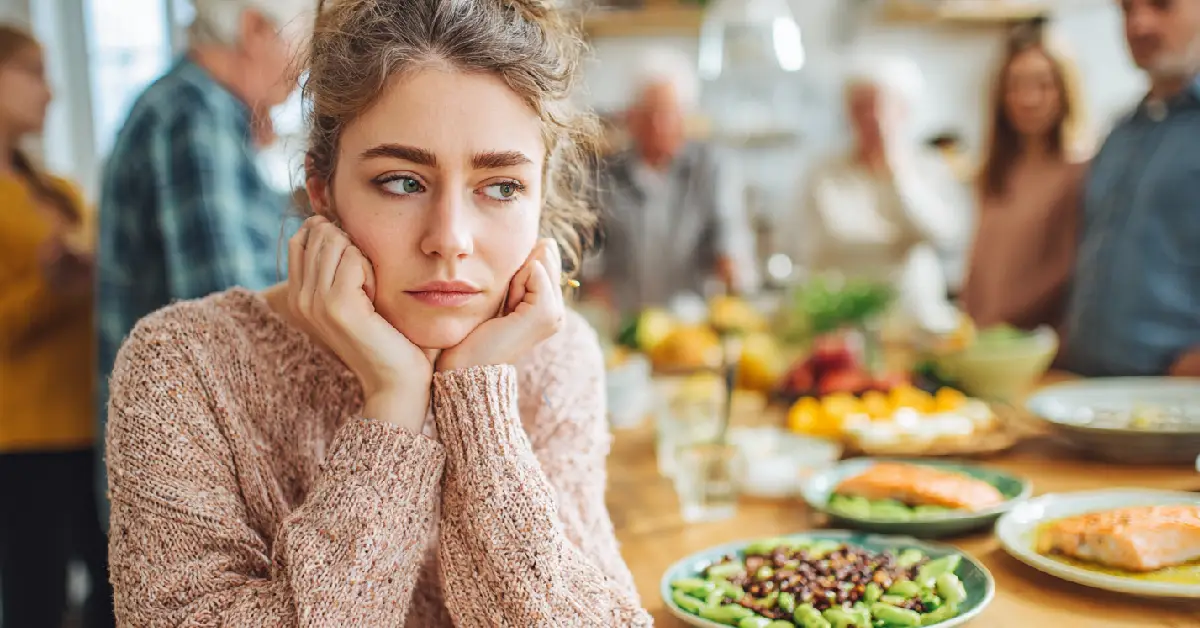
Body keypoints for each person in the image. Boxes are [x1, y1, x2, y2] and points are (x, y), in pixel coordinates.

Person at [103, 0, 650, 625]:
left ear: (540, 196)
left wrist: (477, 406)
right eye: (402, 181)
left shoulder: (555, 357)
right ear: (322, 191)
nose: (451, 239)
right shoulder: (182, 366)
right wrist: (393, 404)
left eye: (501, 187)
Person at [95, 0, 313, 514]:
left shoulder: (199, 109)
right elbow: (230, 306)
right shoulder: (196, 115)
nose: (301, 75)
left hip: (185, 442)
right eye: (299, 52)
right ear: (254, 30)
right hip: (188, 455)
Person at [0, 25, 115, 628]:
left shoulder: (60, 192)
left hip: (90, 421)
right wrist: (53, 290)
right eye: (33, 73)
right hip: (20, 437)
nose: (51, 93)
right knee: (35, 594)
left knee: (112, 586)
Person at [1061, 0, 1200, 377]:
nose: (1139, 25)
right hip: (1091, 393)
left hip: (1179, 407)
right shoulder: (1121, 131)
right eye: (1126, 9)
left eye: (1161, 5)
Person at [785, 55, 971, 331]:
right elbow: (815, 244)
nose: (870, 117)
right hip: (842, 322)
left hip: (916, 320)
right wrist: (898, 241)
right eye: (859, 107)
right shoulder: (824, 173)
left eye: (878, 105)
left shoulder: (927, 167)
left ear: (904, 109)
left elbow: (943, 234)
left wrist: (898, 171)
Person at [587, 48, 758, 314]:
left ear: (684, 115)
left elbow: (729, 230)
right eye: (648, 113)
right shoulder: (602, 174)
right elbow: (590, 250)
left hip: (693, 324)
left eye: (667, 112)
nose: (658, 124)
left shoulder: (712, 168)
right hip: (623, 323)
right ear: (631, 116)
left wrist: (733, 265)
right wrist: (593, 288)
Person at [962, 25, 1089, 332]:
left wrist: (999, 318)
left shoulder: (1080, 171)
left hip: (1039, 342)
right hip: (984, 340)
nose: (1028, 99)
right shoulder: (995, 171)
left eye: (1043, 85)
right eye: (1015, 86)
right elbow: (981, 261)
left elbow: (1066, 267)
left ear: (1065, 90)